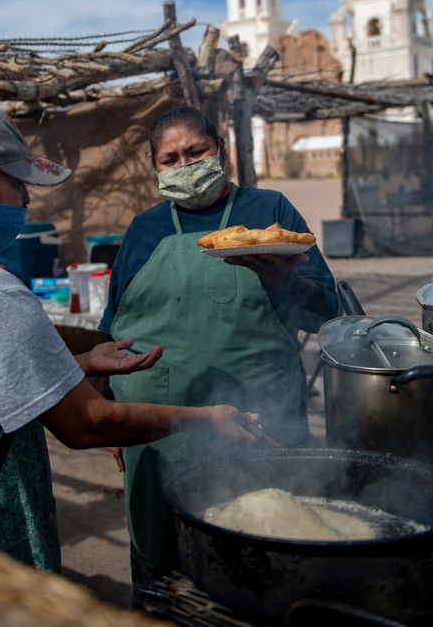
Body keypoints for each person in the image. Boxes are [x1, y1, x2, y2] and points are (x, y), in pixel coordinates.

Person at [0, 101, 267, 574]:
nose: (26, 201)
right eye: (17, 185)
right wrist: (208, 418)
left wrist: (79, 364)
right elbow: (87, 423)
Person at [99, 105, 339, 593]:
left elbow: (325, 314)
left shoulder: (269, 213)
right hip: (156, 427)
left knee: (264, 546)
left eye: (196, 152)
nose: (184, 166)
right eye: (169, 159)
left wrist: (283, 280)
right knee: (161, 565)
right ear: (155, 168)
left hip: (255, 420)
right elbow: (112, 329)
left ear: (221, 151)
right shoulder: (144, 229)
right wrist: (110, 415)